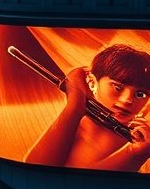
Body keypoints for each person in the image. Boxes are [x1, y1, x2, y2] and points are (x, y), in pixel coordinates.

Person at [25, 44, 150, 172]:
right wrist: (74, 105)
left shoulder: (140, 138)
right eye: (117, 87)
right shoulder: (73, 124)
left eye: (140, 94)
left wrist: (134, 153)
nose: (127, 100)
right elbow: (33, 171)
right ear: (91, 82)